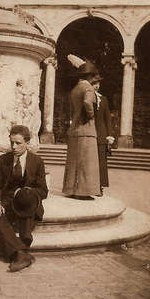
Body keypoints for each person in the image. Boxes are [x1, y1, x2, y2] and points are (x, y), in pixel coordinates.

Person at [0, 125, 48, 272]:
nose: (14, 147)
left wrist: (26, 191)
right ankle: (21, 252)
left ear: (27, 143)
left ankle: (19, 244)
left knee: (26, 200)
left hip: (27, 200)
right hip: (7, 199)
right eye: (12, 143)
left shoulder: (37, 161)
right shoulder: (3, 160)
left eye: (18, 143)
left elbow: (43, 191)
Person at [62, 54, 101, 200]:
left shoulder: (75, 89)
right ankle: (83, 192)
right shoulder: (88, 89)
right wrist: (91, 116)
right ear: (90, 76)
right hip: (86, 129)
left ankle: (71, 189)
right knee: (86, 161)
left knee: (73, 161)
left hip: (74, 130)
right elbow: (87, 103)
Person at [93, 80, 115, 196]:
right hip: (90, 135)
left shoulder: (104, 99)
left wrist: (109, 135)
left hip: (101, 135)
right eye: (94, 84)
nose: (96, 86)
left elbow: (108, 119)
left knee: (101, 162)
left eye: (98, 84)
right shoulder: (86, 97)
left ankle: (100, 187)